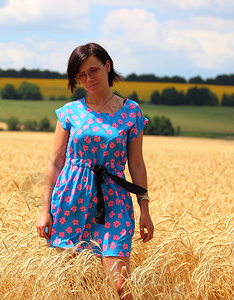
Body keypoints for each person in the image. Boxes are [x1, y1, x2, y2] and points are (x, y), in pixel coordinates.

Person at [36, 42, 154, 299]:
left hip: (115, 202)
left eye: (93, 71)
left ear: (107, 66)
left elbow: (136, 163)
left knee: (122, 287)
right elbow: (56, 162)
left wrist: (144, 208)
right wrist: (44, 210)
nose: (88, 79)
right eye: (81, 75)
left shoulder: (131, 111)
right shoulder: (69, 113)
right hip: (71, 200)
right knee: (75, 286)